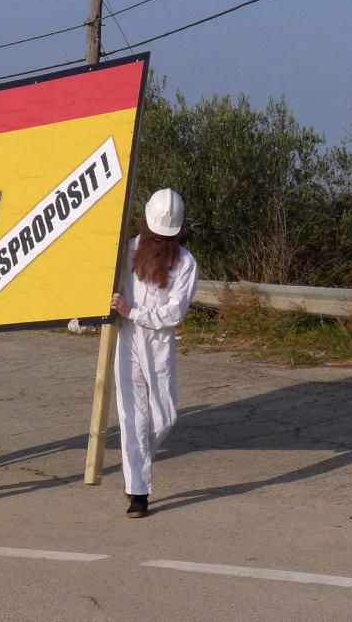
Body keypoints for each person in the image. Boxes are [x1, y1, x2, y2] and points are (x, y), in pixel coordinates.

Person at [110, 188, 198, 518]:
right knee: (132, 416)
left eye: (167, 236)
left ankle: (138, 461)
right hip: (126, 339)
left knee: (165, 417)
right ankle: (138, 491)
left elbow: (175, 313)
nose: (160, 241)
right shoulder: (126, 250)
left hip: (158, 342)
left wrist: (134, 312)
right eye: (156, 235)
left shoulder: (185, 263)